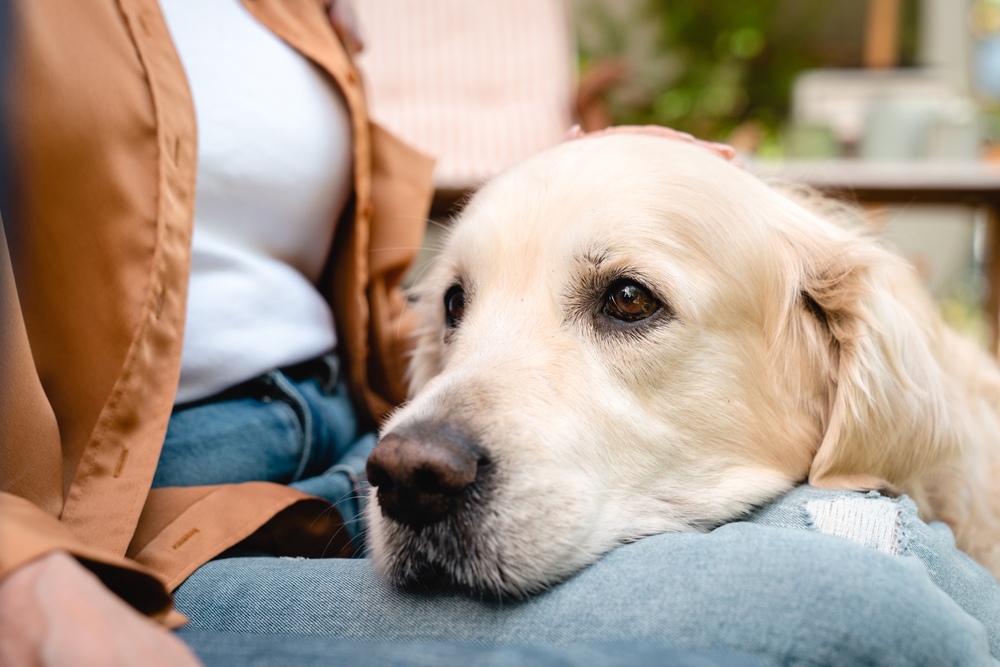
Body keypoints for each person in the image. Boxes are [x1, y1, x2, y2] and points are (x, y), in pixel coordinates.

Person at [1, 2, 997, 666]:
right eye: (458, 306)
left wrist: (606, 186)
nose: (424, 456)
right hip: (115, 531)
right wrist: (23, 580)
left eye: (625, 300)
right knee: (863, 607)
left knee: (903, 542)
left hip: (332, 453)